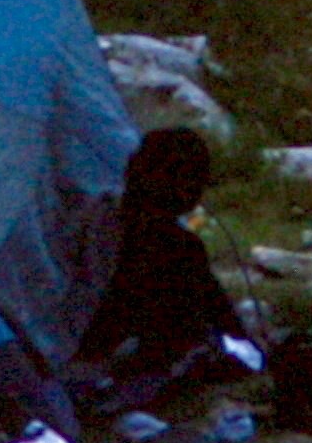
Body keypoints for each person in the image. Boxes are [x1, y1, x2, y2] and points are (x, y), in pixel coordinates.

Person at [73, 128, 247, 412]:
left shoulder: (103, 218)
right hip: (130, 363)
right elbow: (221, 317)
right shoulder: (175, 246)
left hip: (85, 354)